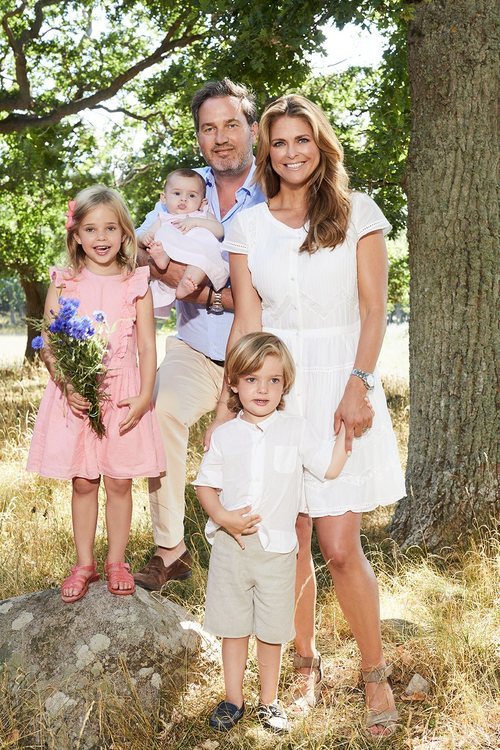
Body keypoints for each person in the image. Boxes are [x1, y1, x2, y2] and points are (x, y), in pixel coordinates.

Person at [210, 95, 406, 737]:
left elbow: (375, 312)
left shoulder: (358, 215)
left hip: (342, 385)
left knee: (339, 545)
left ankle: (374, 673)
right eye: (280, 142)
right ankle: (303, 664)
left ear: (321, 145)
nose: (292, 152)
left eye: (303, 140)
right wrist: (225, 409)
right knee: (285, 540)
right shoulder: (247, 227)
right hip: (273, 391)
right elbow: (247, 321)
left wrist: (359, 384)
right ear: (265, 152)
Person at [133, 79, 265, 591]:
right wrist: (173, 271)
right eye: (209, 128)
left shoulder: (275, 189)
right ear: (199, 138)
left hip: (257, 353)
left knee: (254, 445)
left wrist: (211, 294)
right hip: (195, 346)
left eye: (232, 124)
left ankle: (254, 553)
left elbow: (269, 292)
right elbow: (143, 247)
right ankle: (172, 550)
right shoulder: (185, 189)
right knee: (157, 410)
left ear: (252, 129)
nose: (221, 137)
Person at [194, 332, 350, 733]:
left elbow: (328, 467)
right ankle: (233, 699)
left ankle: (269, 701)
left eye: (273, 380)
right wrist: (224, 517)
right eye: (251, 380)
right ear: (233, 383)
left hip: (280, 551)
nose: (262, 389)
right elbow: (204, 485)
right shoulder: (225, 435)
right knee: (233, 627)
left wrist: (347, 437)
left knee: (271, 630)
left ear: (285, 384)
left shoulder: (295, 429)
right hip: (232, 547)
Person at [27, 185, 165, 603]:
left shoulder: (136, 282)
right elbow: (49, 341)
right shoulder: (65, 281)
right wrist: (68, 385)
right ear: (77, 236)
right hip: (76, 395)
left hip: (122, 393)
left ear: (125, 234)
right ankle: (84, 561)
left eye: (110, 228)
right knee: (84, 481)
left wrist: (144, 395)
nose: (101, 237)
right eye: (91, 228)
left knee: (120, 481)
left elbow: (146, 345)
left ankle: (117, 560)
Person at [138, 168, 227, 311]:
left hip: (197, 255)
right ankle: (162, 258)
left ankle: (186, 285)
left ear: (202, 202)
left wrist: (196, 222)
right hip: (171, 255)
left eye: (192, 196)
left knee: (203, 259)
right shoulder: (163, 217)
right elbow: (148, 234)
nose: (183, 199)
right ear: (164, 198)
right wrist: (145, 237)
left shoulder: (203, 214)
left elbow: (219, 231)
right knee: (163, 234)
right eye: (177, 193)